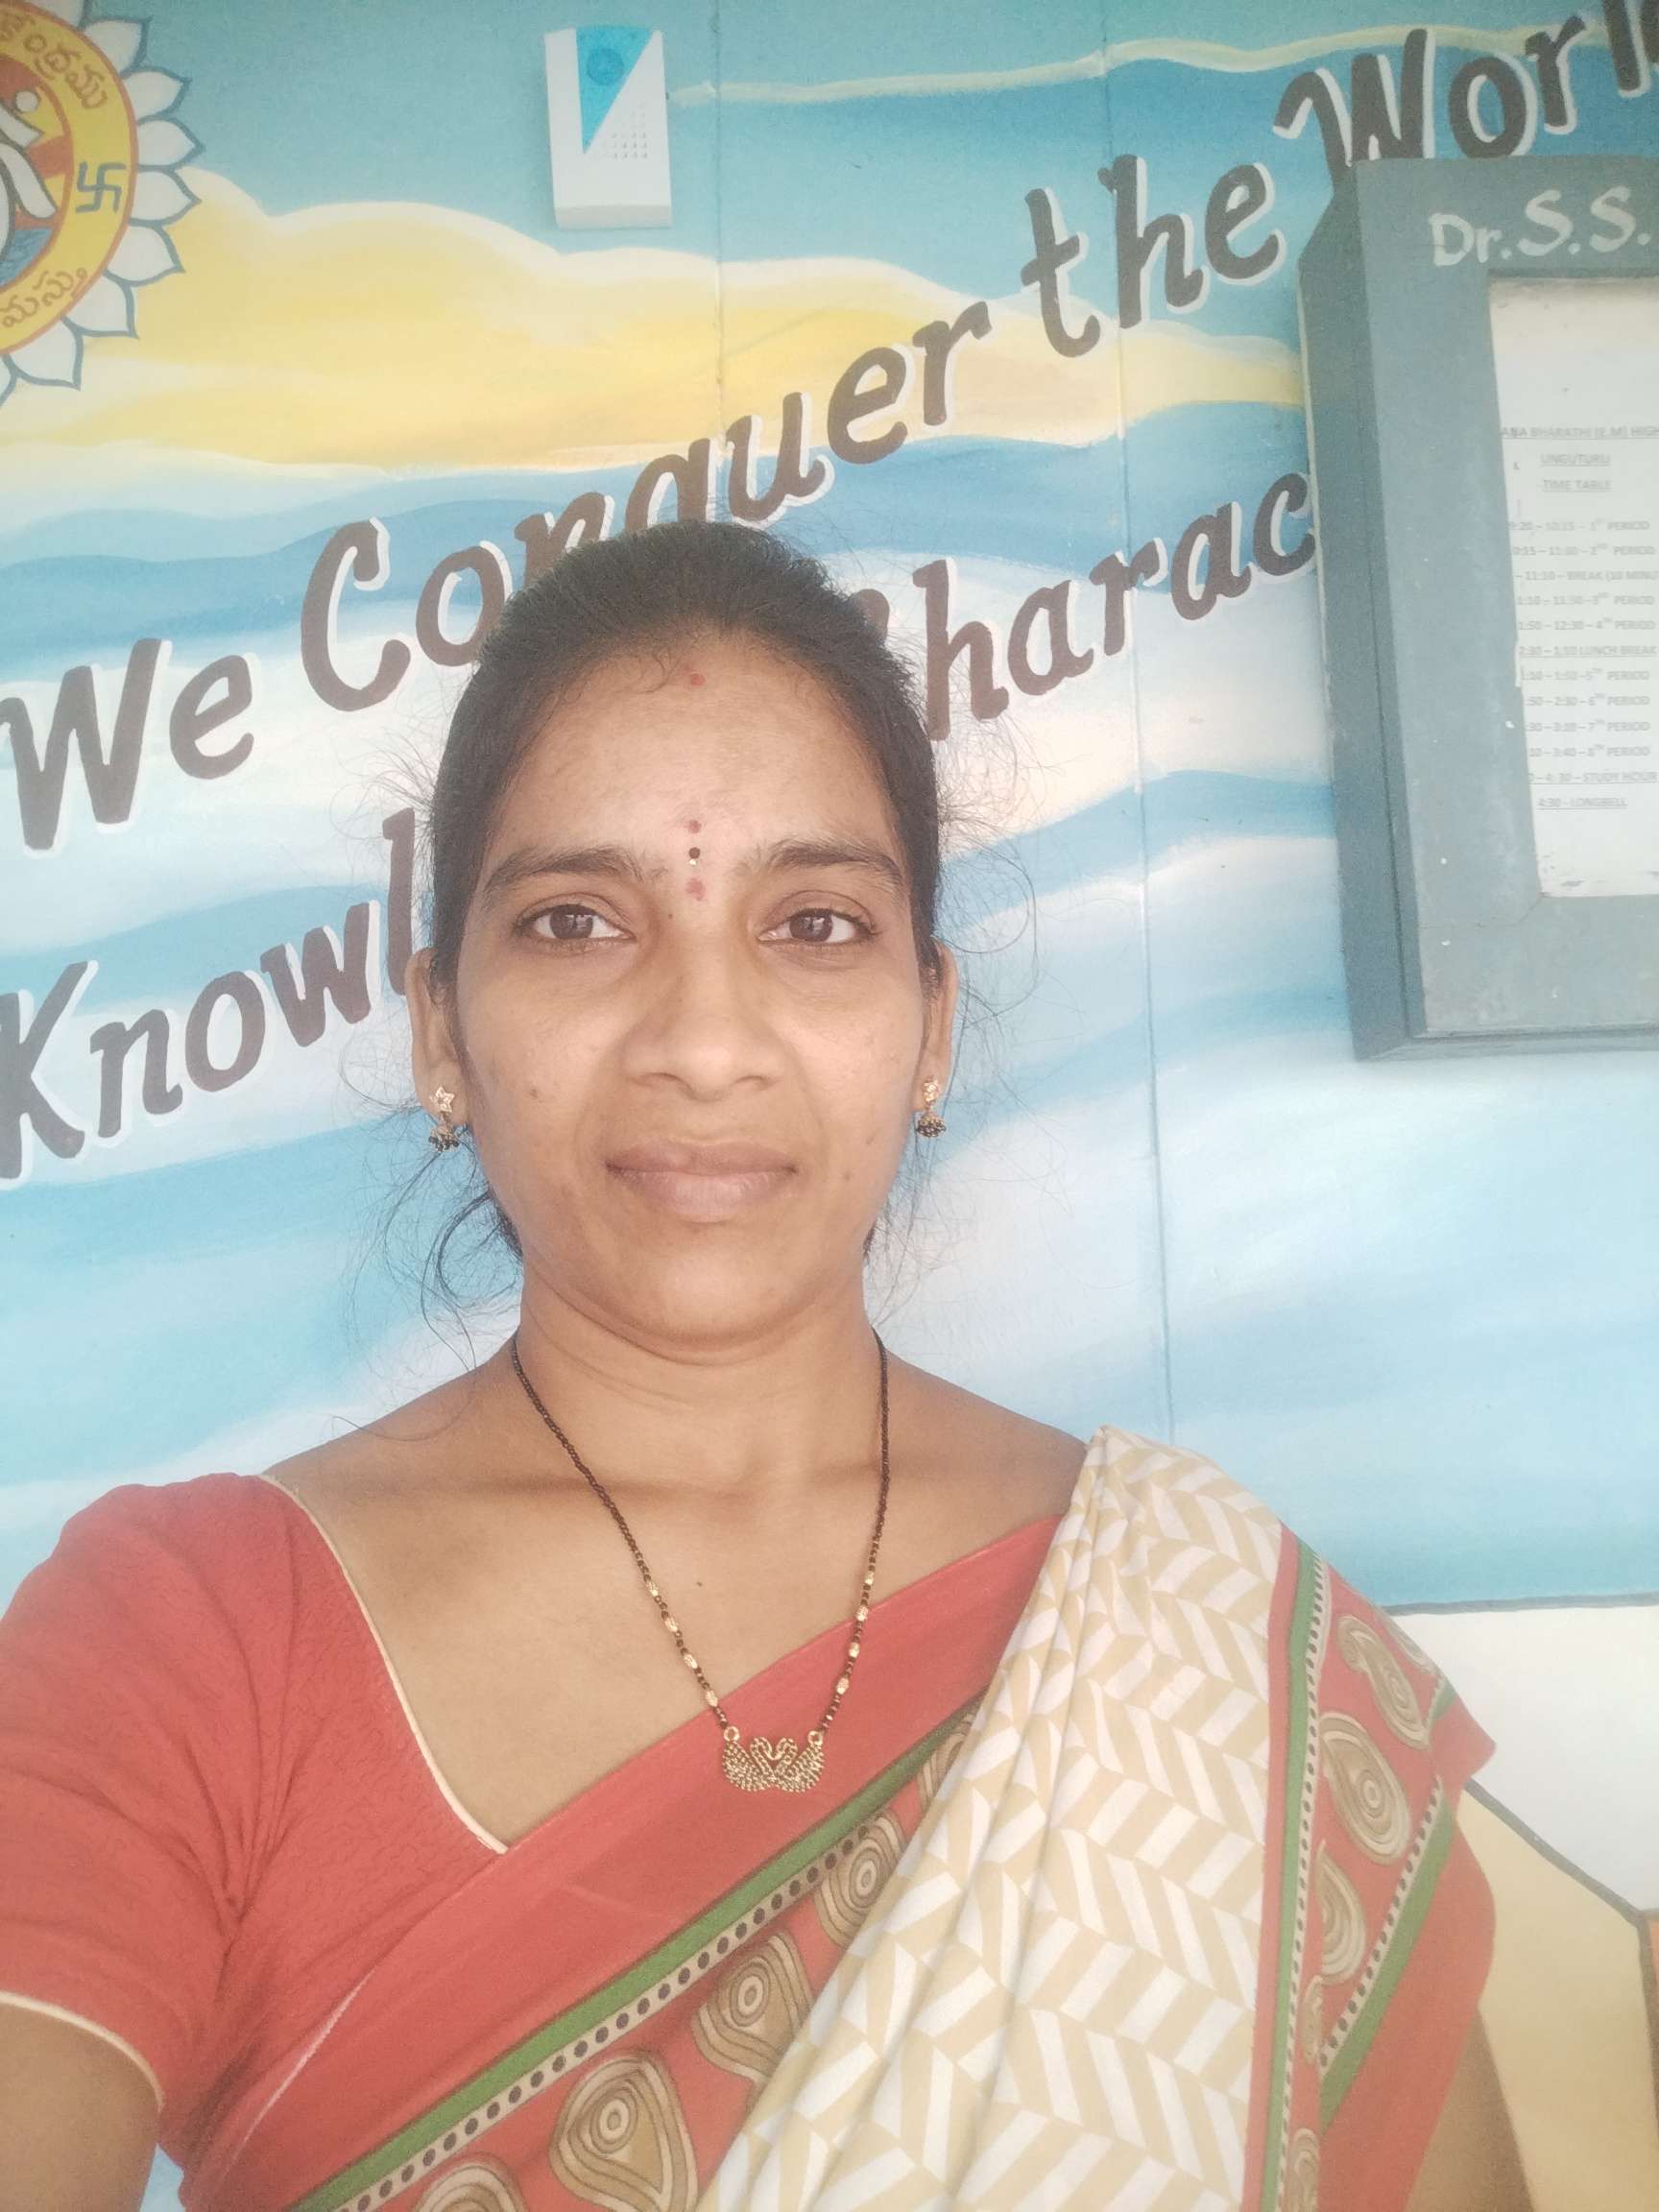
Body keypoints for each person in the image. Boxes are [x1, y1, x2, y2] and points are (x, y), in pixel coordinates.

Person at [0, 520, 1528, 2212]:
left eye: (813, 923)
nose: (705, 1043)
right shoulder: (182, 1641)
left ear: (932, 1026)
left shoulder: (1207, 1640)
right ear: (441, 1031)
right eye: (576, 922)